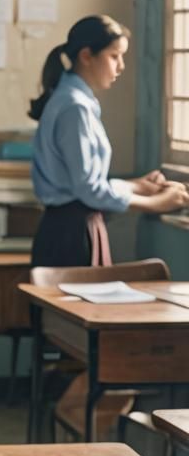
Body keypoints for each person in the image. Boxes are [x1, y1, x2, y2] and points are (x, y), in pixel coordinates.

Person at [29, 14, 189, 267]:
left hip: (70, 228)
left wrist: (134, 186)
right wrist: (155, 203)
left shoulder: (73, 100)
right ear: (86, 56)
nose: (121, 66)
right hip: (71, 236)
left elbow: (83, 183)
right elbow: (88, 191)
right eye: (114, 56)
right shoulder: (75, 107)